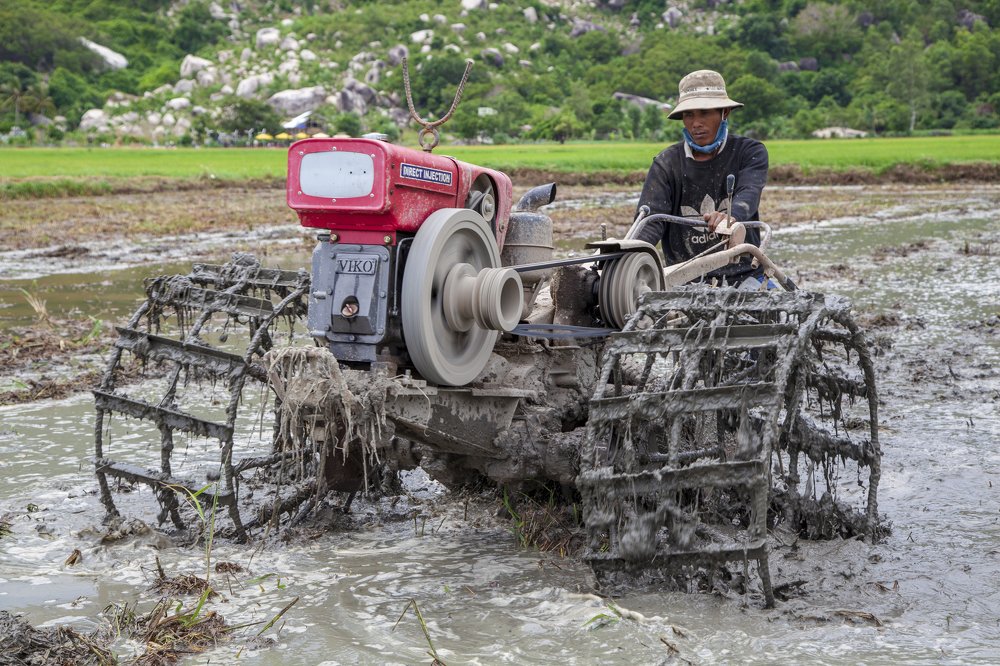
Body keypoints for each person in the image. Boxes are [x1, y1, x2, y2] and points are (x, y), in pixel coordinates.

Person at [634, 69, 768, 287]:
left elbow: (748, 196)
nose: (696, 123)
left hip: (744, 274)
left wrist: (731, 218)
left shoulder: (749, 152)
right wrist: (627, 256)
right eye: (689, 115)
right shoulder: (666, 163)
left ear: (724, 113)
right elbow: (651, 221)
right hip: (684, 279)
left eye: (704, 113)